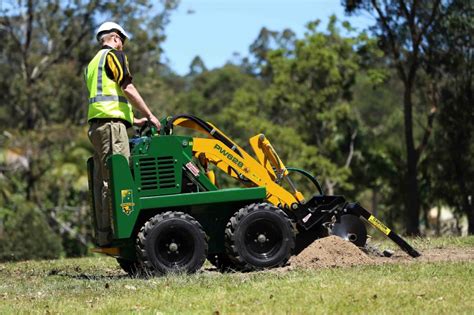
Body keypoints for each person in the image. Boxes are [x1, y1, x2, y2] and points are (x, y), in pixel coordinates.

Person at [85, 21, 160, 246]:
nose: (122, 47)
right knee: (118, 179)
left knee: (102, 181)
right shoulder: (113, 56)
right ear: (116, 38)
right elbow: (126, 88)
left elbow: (107, 99)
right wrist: (150, 114)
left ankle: (104, 234)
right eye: (122, 43)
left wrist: (134, 120)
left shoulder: (91, 64)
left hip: (98, 127)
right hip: (111, 127)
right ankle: (122, 233)